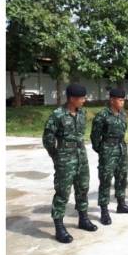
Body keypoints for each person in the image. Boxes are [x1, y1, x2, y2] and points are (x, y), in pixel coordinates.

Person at [42, 83, 97, 242]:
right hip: (65, 158)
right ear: (72, 98)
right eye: (82, 98)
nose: (84, 101)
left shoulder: (82, 113)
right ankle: (59, 227)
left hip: (81, 157)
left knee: (83, 188)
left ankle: (83, 219)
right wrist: (56, 156)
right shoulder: (57, 115)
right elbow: (48, 139)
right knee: (63, 192)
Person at [90, 87, 128, 225]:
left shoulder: (123, 114)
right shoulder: (102, 115)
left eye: (123, 100)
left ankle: (121, 204)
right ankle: (104, 210)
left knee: (122, 177)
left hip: (121, 149)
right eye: (120, 100)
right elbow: (95, 136)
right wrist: (102, 150)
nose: (122, 102)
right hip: (108, 150)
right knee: (106, 180)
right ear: (112, 100)